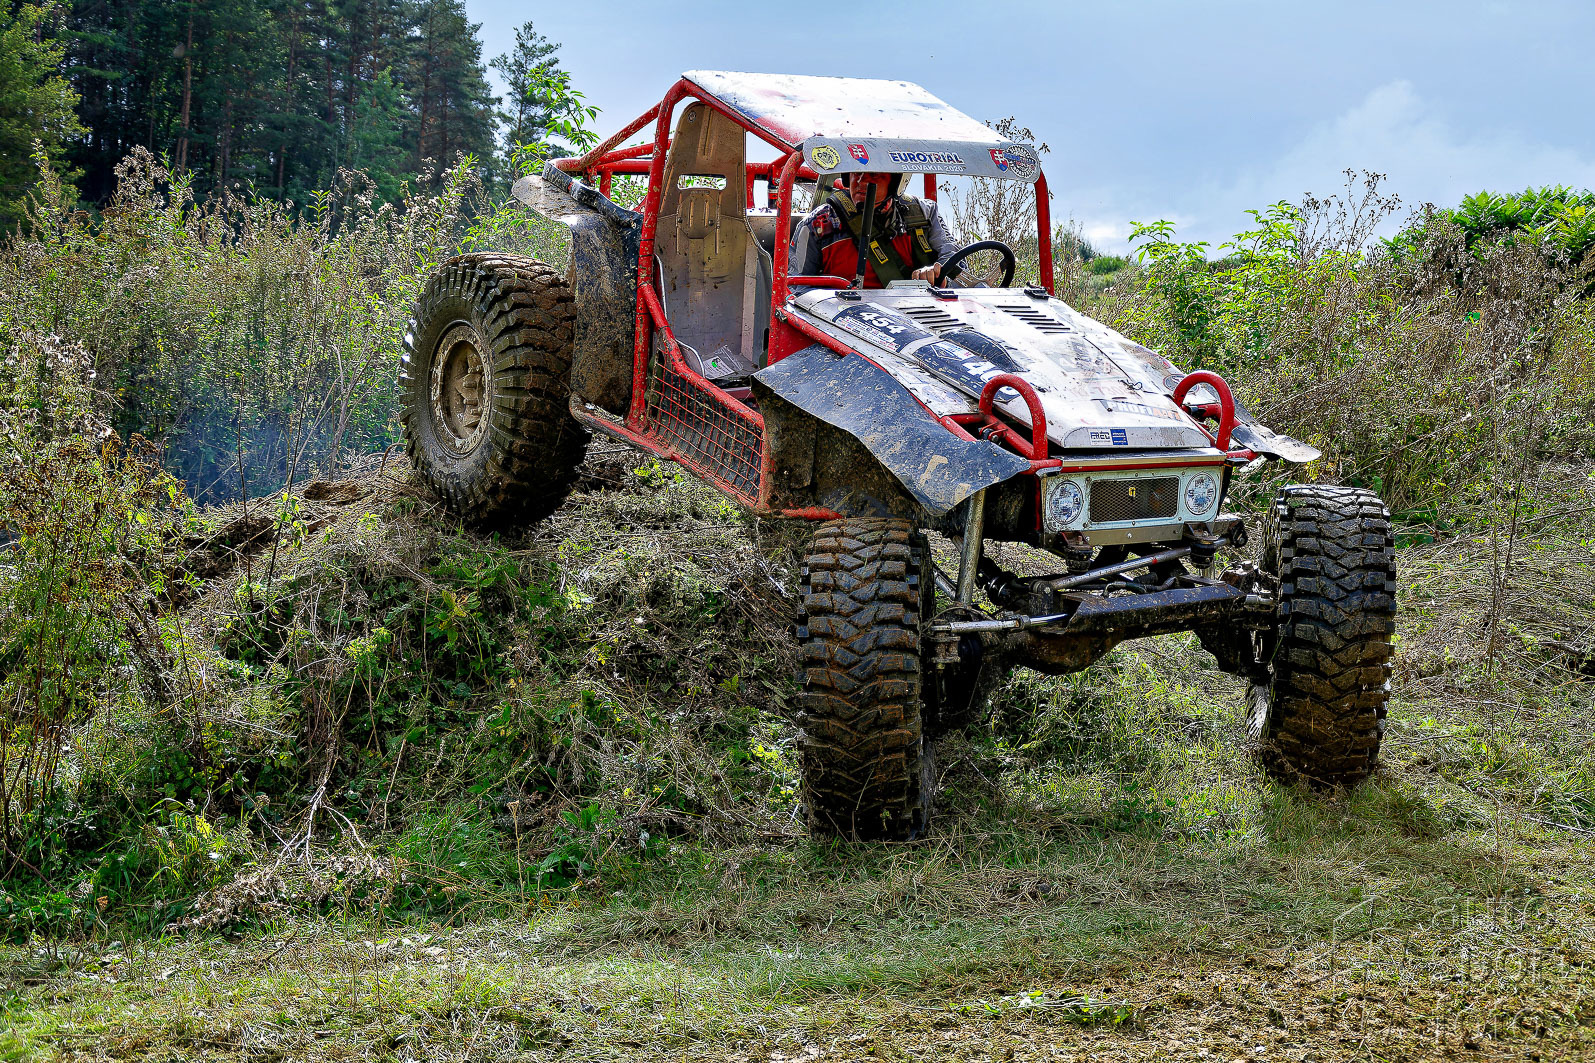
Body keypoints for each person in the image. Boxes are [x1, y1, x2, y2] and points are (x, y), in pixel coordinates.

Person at [788, 171, 958, 288]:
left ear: (896, 182)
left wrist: (938, 273)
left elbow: (956, 263)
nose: (860, 182)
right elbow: (795, 288)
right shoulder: (817, 224)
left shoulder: (924, 213)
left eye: (874, 175)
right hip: (841, 324)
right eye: (856, 173)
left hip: (917, 317)